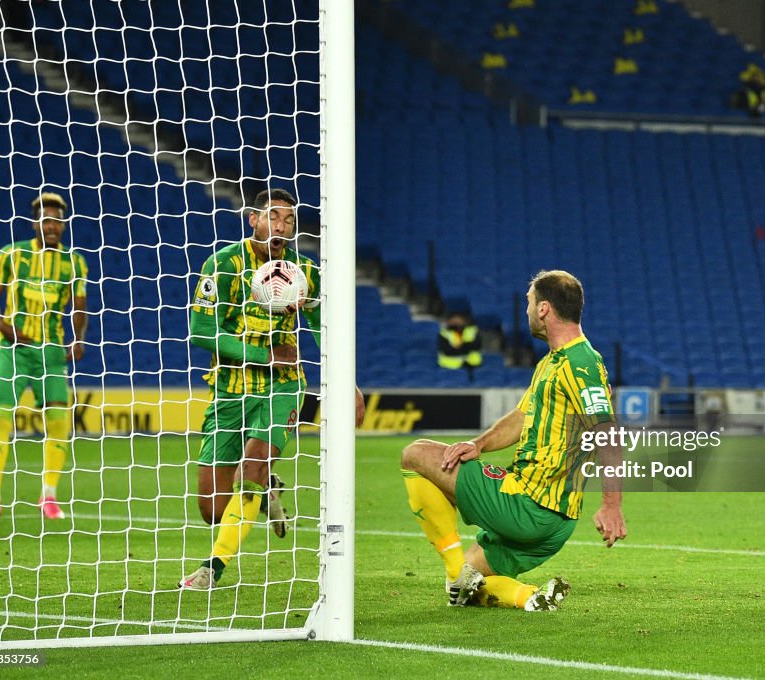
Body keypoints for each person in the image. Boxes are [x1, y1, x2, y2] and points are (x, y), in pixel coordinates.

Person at [401, 270, 627, 611]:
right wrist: (479, 444)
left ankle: (455, 571)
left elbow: (607, 433)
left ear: (544, 309)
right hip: (556, 524)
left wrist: (612, 505)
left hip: (528, 504)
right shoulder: (554, 362)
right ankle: (529, 597)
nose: (526, 311)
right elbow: (522, 418)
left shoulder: (580, 363)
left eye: (529, 303)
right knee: (463, 587)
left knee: (415, 454)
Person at [179, 188, 365, 589]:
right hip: (230, 388)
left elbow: (321, 327)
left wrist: (345, 380)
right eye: (274, 217)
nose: (281, 227)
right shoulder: (224, 264)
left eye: (289, 221)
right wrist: (263, 355)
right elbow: (200, 331)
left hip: (282, 386)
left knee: (252, 466)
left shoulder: (304, 271)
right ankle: (267, 491)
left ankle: (213, 568)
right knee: (212, 508)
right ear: (253, 219)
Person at [0, 192, 88, 521]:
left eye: (56, 220)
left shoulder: (74, 261)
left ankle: (49, 496)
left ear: (63, 224)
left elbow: (79, 307)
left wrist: (78, 339)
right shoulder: (13, 255)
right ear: (35, 223)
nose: (52, 226)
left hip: (51, 352)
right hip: (14, 351)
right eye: (46, 220)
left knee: (58, 423)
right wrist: (1, 325)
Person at [437, 312, 482, 376]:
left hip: (472, 366)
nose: (456, 321)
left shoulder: (473, 331)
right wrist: (466, 347)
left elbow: (476, 345)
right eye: (453, 319)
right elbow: (447, 350)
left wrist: (458, 347)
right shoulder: (444, 333)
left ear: (464, 320)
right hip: (450, 368)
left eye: (459, 319)